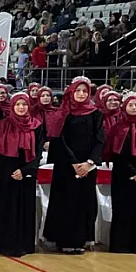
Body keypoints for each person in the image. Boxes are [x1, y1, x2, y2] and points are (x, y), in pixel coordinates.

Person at [42, 77, 104, 254]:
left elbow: (100, 139)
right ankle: (64, 240)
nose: (81, 94)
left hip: (88, 167)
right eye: (78, 91)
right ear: (71, 92)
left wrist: (89, 162)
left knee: (84, 202)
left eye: (85, 91)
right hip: (66, 167)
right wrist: (74, 163)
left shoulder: (95, 114)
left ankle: (82, 239)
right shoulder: (63, 113)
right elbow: (60, 141)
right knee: (66, 202)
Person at [0, 93, 45, 258]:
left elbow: (38, 152)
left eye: (24, 105)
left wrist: (25, 171)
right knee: (6, 208)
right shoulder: (3, 124)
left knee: (24, 209)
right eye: (18, 104)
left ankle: (23, 245)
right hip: (6, 174)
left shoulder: (36, 125)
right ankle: (3, 244)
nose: (21, 107)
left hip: (26, 174)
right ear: (12, 106)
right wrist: (10, 173)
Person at [106, 93, 136, 254]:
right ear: (124, 107)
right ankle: (122, 245)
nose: (134, 108)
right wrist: (133, 172)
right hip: (123, 175)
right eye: (131, 105)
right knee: (122, 210)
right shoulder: (118, 128)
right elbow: (116, 152)